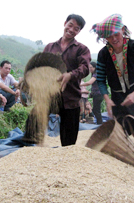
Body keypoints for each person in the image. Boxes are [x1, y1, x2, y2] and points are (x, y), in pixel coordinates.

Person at [91, 14, 134, 150]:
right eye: (109, 36)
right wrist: (107, 99)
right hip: (118, 95)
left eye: (116, 34)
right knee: (121, 125)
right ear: (104, 38)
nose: (114, 39)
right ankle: (125, 152)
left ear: (122, 30)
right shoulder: (103, 54)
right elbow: (101, 80)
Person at [43, 14, 91, 146]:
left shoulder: (82, 49)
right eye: (70, 25)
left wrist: (70, 75)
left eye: (76, 28)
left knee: (68, 142)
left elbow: (85, 68)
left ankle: (66, 163)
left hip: (70, 98)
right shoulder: (50, 47)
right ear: (65, 23)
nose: (71, 29)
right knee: (38, 132)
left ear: (79, 31)